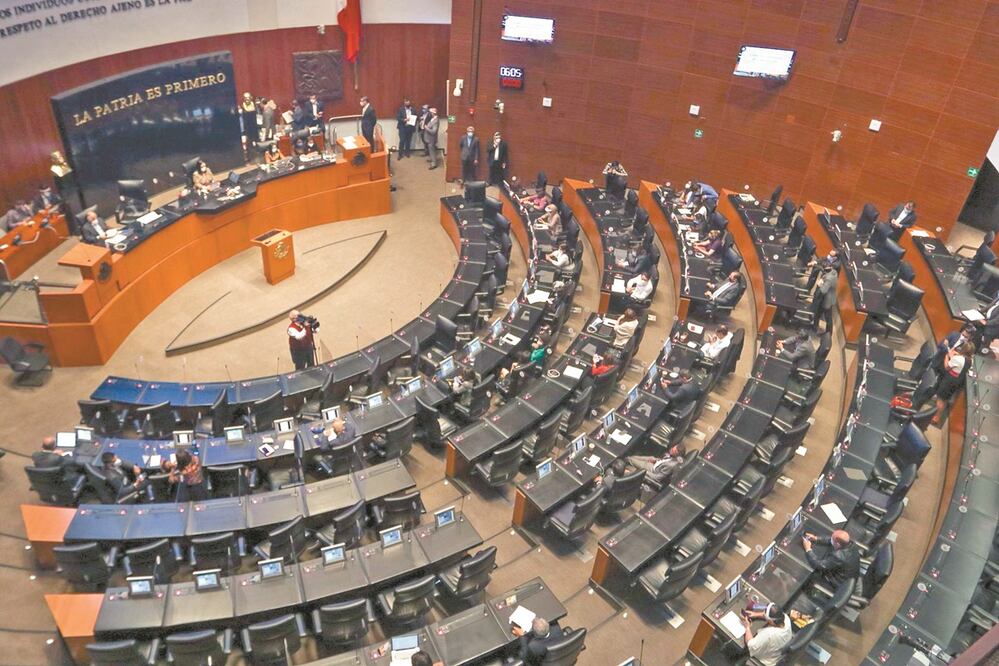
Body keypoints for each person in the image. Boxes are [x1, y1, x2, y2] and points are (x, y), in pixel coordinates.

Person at [934, 341, 973, 424]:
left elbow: (946, 367)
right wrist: (954, 356)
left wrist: (947, 356)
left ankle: (936, 417)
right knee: (945, 399)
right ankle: (938, 414)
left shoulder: (958, 359)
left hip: (949, 381)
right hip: (957, 381)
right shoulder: (970, 360)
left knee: (940, 398)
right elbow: (959, 362)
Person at [811, 265, 837, 332]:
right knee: (825, 316)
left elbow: (823, 291)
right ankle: (827, 331)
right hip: (831, 299)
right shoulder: (834, 272)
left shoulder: (829, 279)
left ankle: (818, 329)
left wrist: (820, 284)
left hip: (826, 300)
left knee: (823, 316)